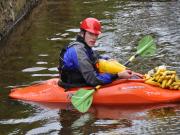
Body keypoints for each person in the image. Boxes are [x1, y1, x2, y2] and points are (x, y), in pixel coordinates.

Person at [58, 17, 132, 89]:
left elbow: (96, 57)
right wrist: (117, 75)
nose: (94, 38)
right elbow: (93, 80)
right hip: (73, 86)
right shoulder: (78, 51)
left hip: (82, 80)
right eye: (90, 34)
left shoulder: (84, 46)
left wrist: (112, 62)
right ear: (82, 33)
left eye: (96, 35)